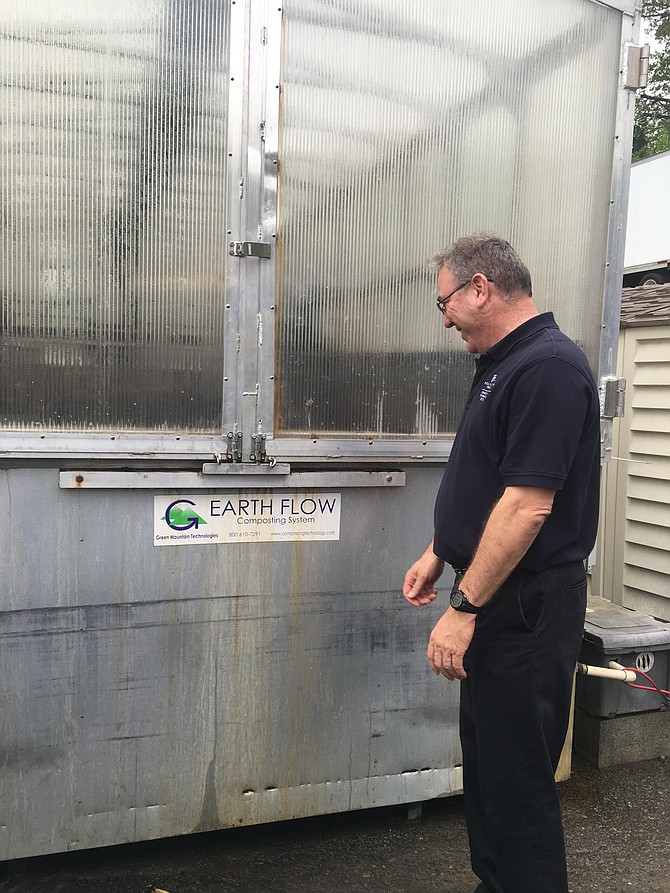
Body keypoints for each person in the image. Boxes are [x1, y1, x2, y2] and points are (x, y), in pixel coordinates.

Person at [403, 235, 601, 893]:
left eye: (446, 301)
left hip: (524, 602)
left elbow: (526, 508)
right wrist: (442, 550)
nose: (445, 318)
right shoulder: (501, 361)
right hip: (499, 595)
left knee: (516, 782)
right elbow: (493, 477)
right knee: (489, 767)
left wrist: (464, 609)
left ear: (481, 287)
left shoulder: (546, 367)